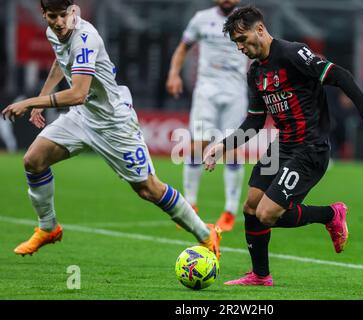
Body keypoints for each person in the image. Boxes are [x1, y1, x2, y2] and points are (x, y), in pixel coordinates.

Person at [1, 0, 220, 259]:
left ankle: (205, 235)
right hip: (83, 117)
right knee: (33, 160)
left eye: (63, 15)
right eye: (52, 16)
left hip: (114, 123)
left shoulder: (86, 38)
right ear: (44, 14)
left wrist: (29, 102)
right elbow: (62, 61)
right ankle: (48, 227)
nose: (58, 22)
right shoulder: (55, 32)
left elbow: (78, 94)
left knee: (148, 188)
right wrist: (43, 95)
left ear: (73, 11)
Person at [204, 6, 363, 285]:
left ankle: (331, 213)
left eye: (242, 39)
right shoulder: (255, 74)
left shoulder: (292, 53)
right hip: (282, 147)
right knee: (251, 207)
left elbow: (339, 76)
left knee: (267, 214)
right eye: (235, 43)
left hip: (310, 148)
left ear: (260, 30)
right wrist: (222, 146)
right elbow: (254, 123)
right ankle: (260, 275)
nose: (239, 47)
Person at [166, 0, 248, 232]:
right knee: (197, 145)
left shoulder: (247, 20)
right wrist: (174, 74)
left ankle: (230, 211)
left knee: (232, 147)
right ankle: (190, 206)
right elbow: (183, 47)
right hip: (206, 90)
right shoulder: (201, 18)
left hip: (235, 90)